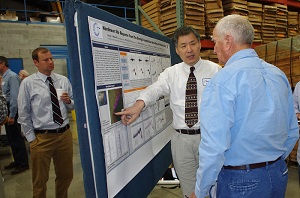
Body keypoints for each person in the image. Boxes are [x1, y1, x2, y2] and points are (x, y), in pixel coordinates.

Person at [191, 14, 299, 198]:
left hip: (241, 182)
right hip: (279, 174)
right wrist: (270, 163)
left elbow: (214, 147)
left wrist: (200, 190)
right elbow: (292, 130)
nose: (214, 49)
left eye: (215, 42)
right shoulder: (278, 75)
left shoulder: (222, 81)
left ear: (228, 41)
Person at [115, 26, 221, 197]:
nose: (189, 49)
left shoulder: (215, 71)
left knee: (212, 187)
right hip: (181, 140)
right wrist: (139, 105)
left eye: (193, 43)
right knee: (189, 190)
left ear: (200, 44)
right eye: (184, 45)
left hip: (209, 138)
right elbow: (155, 89)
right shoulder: (171, 74)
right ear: (177, 50)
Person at [18, 47, 74, 198]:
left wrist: (69, 101)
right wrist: (32, 140)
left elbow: (73, 105)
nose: (50, 62)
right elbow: (23, 113)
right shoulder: (28, 84)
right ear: (36, 62)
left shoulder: (62, 80)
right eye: (45, 60)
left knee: (66, 176)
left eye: (51, 59)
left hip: (64, 135)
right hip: (42, 138)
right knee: (40, 181)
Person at [0, 56, 29, 175]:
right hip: (7, 110)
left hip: (13, 111)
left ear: (2, 64)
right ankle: (17, 161)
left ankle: (23, 163)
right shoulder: (4, 77)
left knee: (16, 137)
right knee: (11, 138)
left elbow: (14, 97)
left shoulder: (11, 76)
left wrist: (12, 115)